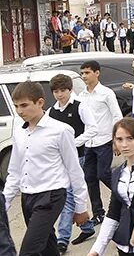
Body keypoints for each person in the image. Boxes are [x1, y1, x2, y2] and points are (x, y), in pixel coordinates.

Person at [4, 81, 90, 256]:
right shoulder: (20, 132)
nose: (20, 111)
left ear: (40, 102)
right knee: (47, 248)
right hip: (28, 197)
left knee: (29, 250)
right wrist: (4, 202)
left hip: (51, 195)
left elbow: (74, 170)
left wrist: (80, 207)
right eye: (16, 106)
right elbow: (15, 172)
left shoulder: (61, 130)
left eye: (24, 105)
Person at [87, 118, 134, 256]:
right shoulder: (117, 172)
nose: (124, 145)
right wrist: (97, 249)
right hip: (124, 244)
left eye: (130, 138)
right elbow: (114, 212)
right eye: (119, 139)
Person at [48, 74, 98, 250]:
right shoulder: (51, 112)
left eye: (63, 90)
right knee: (66, 193)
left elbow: (93, 128)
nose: (59, 94)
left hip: (78, 157)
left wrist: (73, 143)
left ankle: (62, 239)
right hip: (58, 160)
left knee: (68, 196)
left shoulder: (79, 107)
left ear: (70, 90)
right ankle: (87, 226)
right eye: (56, 91)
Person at [78, 60, 123, 227]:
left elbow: (117, 116)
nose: (84, 76)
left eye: (87, 72)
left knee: (103, 173)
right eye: (82, 73)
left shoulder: (106, 93)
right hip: (89, 143)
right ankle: (98, 213)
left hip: (104, 140)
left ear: (97, 73)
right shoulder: (81, 96)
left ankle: (125, 195)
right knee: (89, 177)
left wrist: (115, 140)